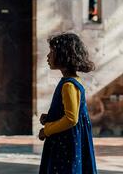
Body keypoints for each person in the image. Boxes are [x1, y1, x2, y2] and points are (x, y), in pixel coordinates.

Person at [38, 32, 97, 174]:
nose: (48, 56)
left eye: (52, 52)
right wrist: (51, 117)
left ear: (64, 56)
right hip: (68, 139)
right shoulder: (72, 81)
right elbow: (70, 112)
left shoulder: (69, 85)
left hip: (66, 144)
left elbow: (71, 119)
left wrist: (47, 130)